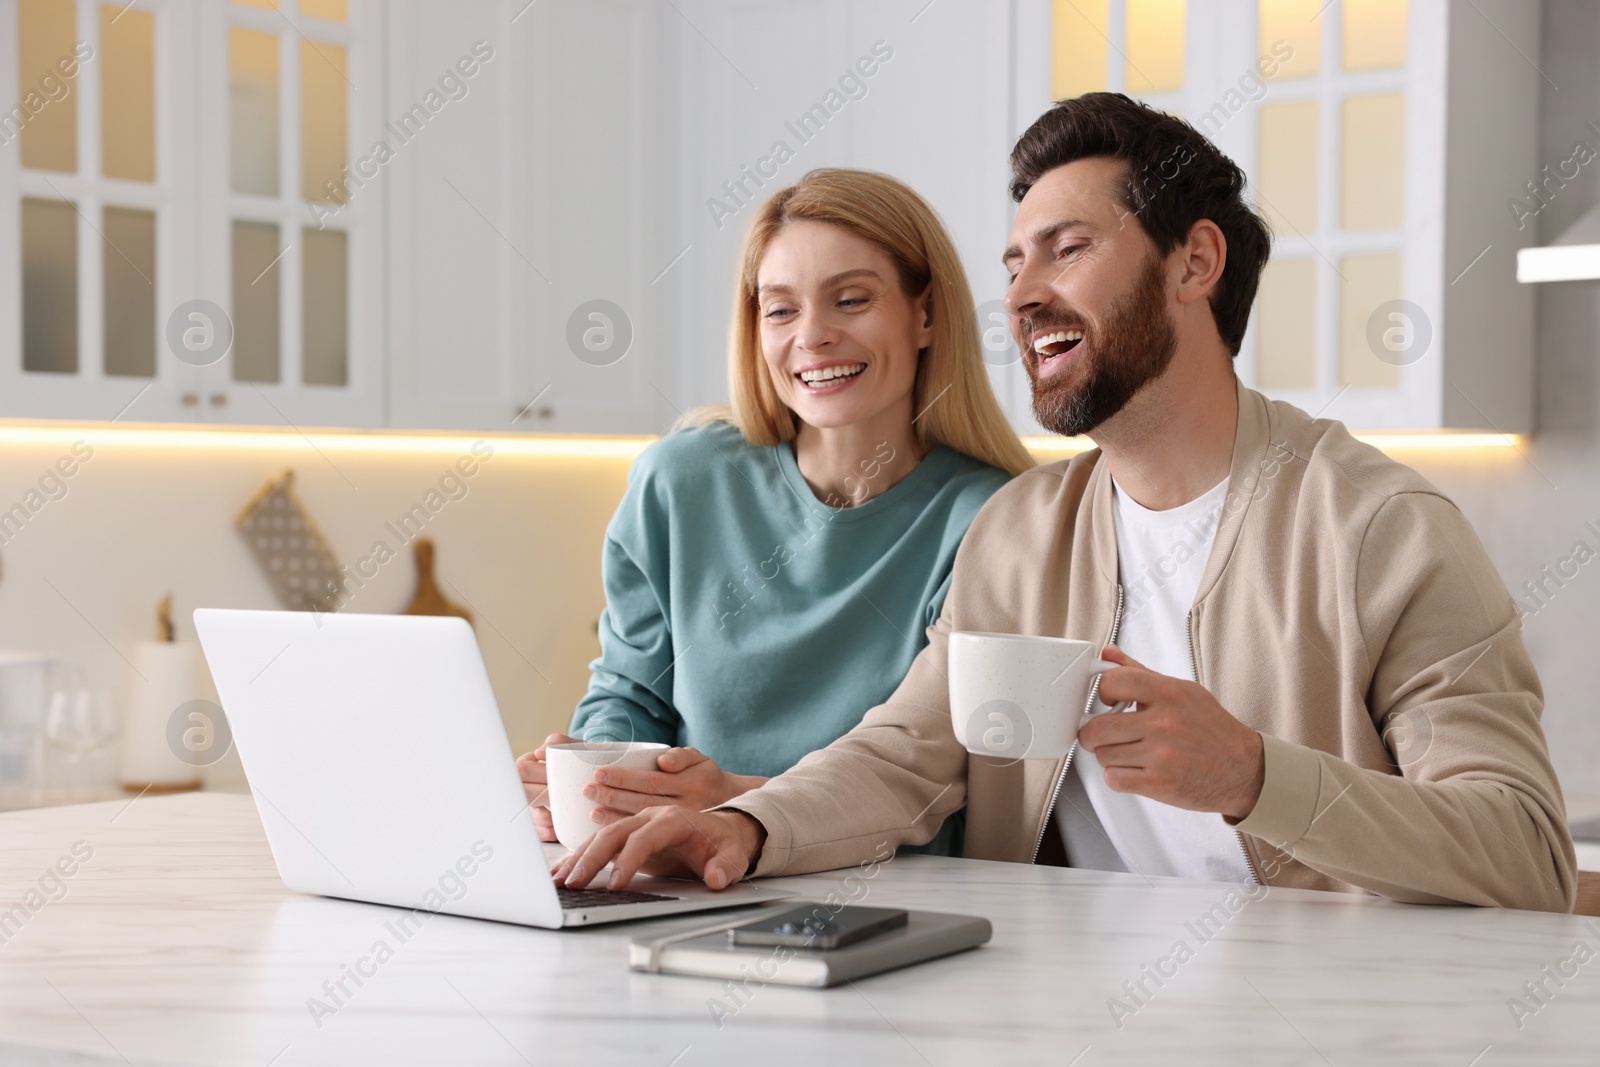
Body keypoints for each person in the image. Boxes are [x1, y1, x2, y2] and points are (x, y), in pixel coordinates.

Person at [551, 93, 1578, 912]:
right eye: (1014, 260)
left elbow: (1524, 849)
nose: (1023, 291)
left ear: (1194, 262)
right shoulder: (1021, 530)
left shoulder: (1379, 529)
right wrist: (750, 826)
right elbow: (904, 752)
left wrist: (1253, 774)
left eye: (1067, 248)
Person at [517, 168, 1034, 853]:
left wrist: (736, 802)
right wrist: (593, 780)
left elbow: (952, 792)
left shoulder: (991, 518)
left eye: (850, 299)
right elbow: (632, 698)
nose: (812, 336)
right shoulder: (681, 482)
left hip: (888, 900)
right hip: (682, 877)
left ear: (927, 314)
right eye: (781, 309)